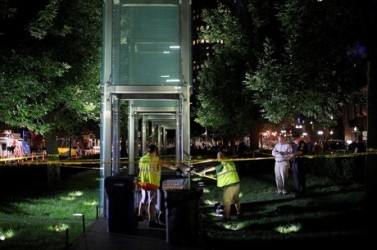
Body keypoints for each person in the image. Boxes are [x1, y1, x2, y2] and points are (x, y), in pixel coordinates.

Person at [137, 144, 181, 228]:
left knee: (143, 199)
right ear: (155, 151)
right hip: (152, 184)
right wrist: (176, 169)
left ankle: (139, 215)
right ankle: (151, 221)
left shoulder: (142, 159)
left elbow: (139, 170)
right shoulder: (155, 159)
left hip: (143, 183)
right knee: (151, 202)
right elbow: (167, 165)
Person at [198, 151, 241, 220]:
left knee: (227, 201)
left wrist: (204, 171)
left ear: (223, 156)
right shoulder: (230, 162)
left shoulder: (222, 164)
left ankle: (226, 217)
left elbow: (213, 167)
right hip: (236, 183)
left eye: (220, 155)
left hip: (229, 185)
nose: (218, 157)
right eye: (218, 155)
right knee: (236, 199)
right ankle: (239, 213)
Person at [290, 133, 308, 198]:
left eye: (294, 139)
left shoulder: (302, 144)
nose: (294, 141)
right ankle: (298, 191)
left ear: (298, 138)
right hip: (295, 163)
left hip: (300, 163)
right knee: (296, 178)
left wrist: (293, 155)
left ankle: (301, 192)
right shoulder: (296, 144)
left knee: (300, 178)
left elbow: (300, 152)